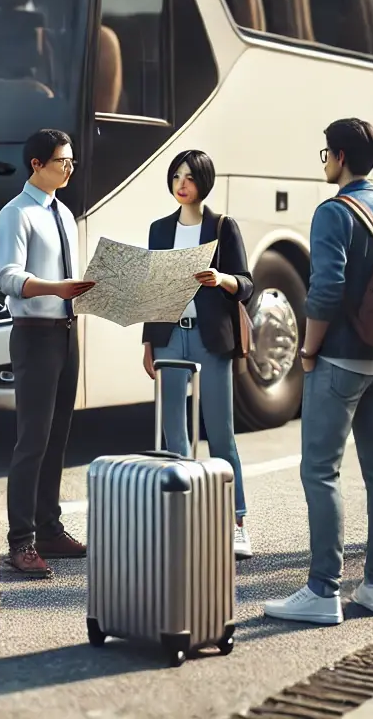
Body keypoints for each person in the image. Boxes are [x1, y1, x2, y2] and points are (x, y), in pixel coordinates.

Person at [265, 119, 373, 625]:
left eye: (326, 151)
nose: (324, 160)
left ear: (340, 156)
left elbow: (325, 289)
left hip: (341, 357)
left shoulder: (333, 211)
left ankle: (323, 590)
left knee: (321, 471)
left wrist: (308, 350)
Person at [141, 149, 254, 559]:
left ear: (203, 181)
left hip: (210, 339)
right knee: (175, 432)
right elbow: (154, 291)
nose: (181, 184)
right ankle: (183, 513)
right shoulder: (159, 229)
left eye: (188, 177)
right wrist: (148, 343)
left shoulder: (222, 226)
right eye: (176, 176)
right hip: (171, 335)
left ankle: (236, 520)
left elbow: (247, 284)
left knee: (220, 431)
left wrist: (221, 279)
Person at [0, 128, 95, 578]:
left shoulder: (65, 214)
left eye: (72, 161)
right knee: (31, 439)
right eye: (62, 161)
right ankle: (21, 541)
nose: (69, 168)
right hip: (33, 332)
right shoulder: (15, 214)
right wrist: (56, 288)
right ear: (37, 164)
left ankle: (49, 528)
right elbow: (9, 277)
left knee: (58, 436)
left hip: (65, 330)